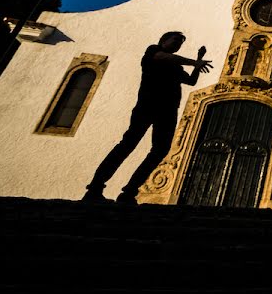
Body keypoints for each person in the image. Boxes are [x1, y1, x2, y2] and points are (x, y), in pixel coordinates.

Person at [82, 31, 212, 204]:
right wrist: (194, 61)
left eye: (181, 42)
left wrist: (198, 62)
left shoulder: (175, 66)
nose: (178, 44)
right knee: (128, 144)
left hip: (168, 110)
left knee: (160, 150)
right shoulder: (153, 51)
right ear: (163, 40)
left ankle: (129, 192)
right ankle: (95, 188)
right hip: (148, 105)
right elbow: (164, 58)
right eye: (175, 40)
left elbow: (190, 82)